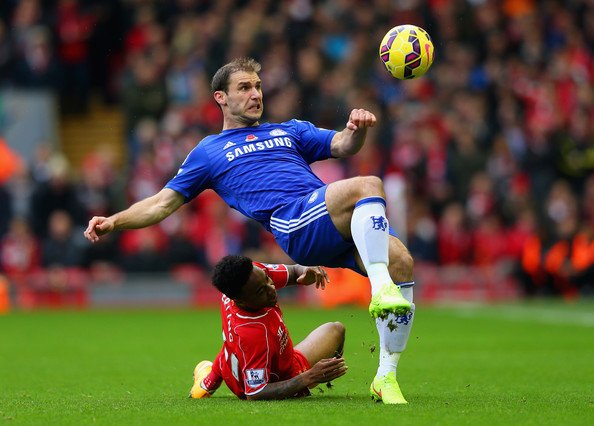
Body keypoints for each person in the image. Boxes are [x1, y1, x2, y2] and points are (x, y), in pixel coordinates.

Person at [84, 57, 415, 404]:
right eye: (244, 87)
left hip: (330, 221)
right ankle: (380, 288)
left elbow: (343, 145)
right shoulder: (209, 152)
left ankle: (385, 376)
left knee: (402, 262)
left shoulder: (290, 130)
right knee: (369, 184)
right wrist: (114, 221)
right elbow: (161, 203)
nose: (255, 94)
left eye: (257, 86)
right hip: (294, 221)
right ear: (220, 98)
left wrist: (356, 129)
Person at [188, 254, 347, 400]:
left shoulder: (248, 277)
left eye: (267, 279)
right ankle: (209, 378)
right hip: (271, 378)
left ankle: (209, 380)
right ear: (241, 300)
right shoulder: (253, 332)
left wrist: (306, 270)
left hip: (232, 363)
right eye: (261, 291)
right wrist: (309, 377)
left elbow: (293, 271)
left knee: (335, 329)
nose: (271, 289)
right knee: (335, 331)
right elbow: (255, 392)